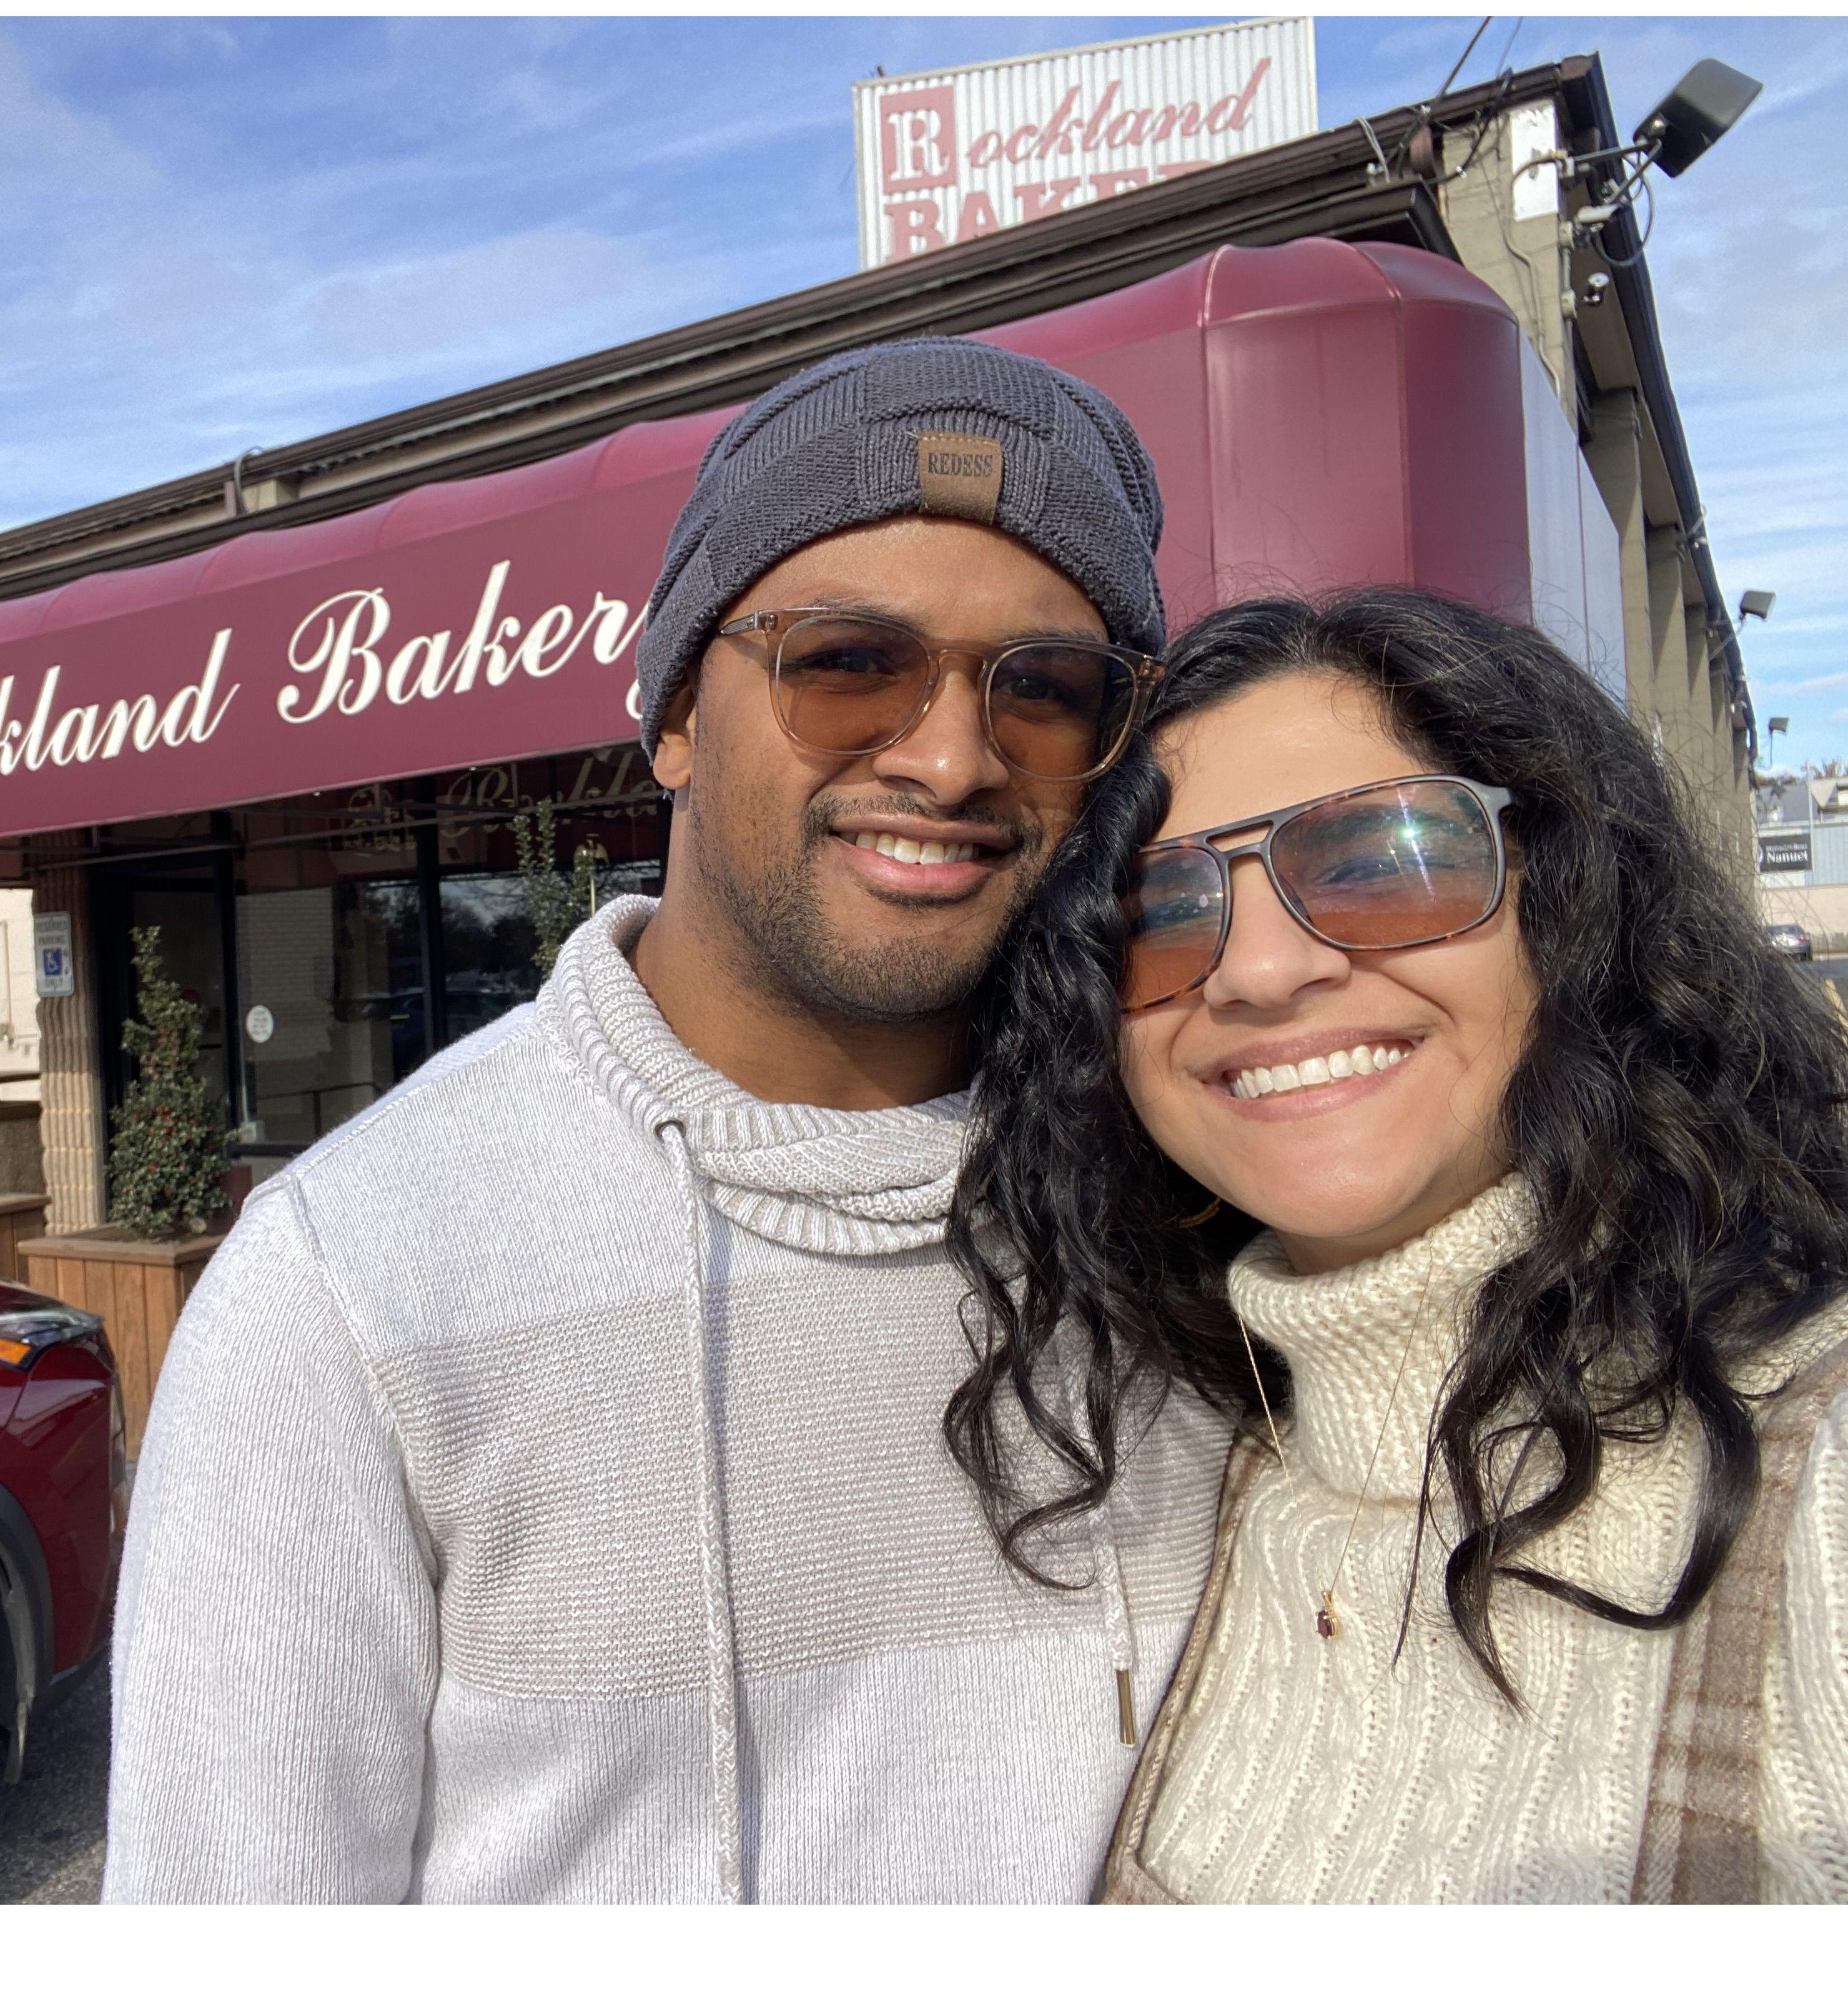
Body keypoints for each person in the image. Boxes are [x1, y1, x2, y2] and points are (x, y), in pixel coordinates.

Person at [105, 338, 1235, 1903]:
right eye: (848, 663)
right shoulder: (350, 1287)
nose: (953, 756)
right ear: (674, 714)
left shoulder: (1187, 1202)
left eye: (1045, 691)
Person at [949, 586, 1848, 1903]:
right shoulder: (1173, 1470)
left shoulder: (1812, 1471)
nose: (1257, 972)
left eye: (1379, 858)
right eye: (1156, 914)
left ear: (1571, 903)